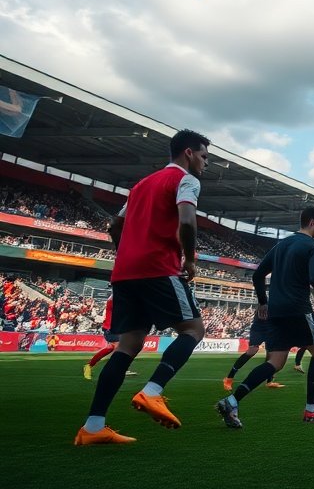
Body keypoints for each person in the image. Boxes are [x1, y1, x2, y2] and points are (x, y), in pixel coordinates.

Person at [75, 129, 211, 445]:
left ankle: (93, 428)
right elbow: (188, 222)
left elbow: (113, 225)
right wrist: (189, 260)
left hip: (125, 272)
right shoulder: (186, 180)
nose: (206, 164)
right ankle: (153, 391)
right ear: (189, 153)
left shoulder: (139, 186)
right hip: (158, 268)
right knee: (193, 330)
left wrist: (127, 252)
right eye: (204, 157)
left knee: (128, 346)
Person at [216, 207, 314, 428]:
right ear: (312, 222)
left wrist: (263, 302)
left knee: (275, 363)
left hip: (276, 311)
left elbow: (258, 275)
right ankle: (312, 409)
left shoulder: (281, 245)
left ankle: (232, 401)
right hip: (298, 309)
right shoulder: (313, 247)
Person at [223, 308, 287, 391]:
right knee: (252, 351)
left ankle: (269, 381)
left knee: (271, 355)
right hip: (259, 327)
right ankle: (229, 378)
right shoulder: (269, 299)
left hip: (272, 328)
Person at [83, 294, 136, 380]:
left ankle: (89, 365)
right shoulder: (112, 299)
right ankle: (120, 369)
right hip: (109, 330)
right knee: (120, 347)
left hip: (117, 330)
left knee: (111, 348)